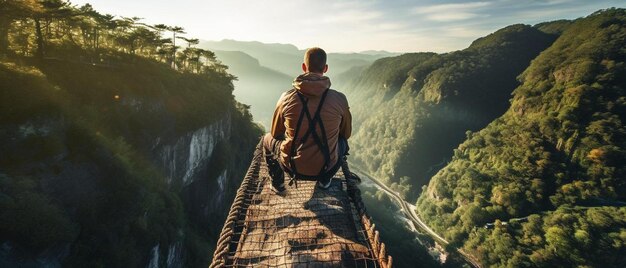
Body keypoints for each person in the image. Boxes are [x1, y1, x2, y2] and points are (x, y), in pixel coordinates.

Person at [263, 47, 352, 193]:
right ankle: (324, 180)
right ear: (326, 68)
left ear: (304, 67)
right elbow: (346, 134)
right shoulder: (339, 99)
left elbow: (275, 133)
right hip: (327, 168)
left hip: (291, 167)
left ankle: (277, 184)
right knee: (342, 142)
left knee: (266, 139)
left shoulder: (286, 97)